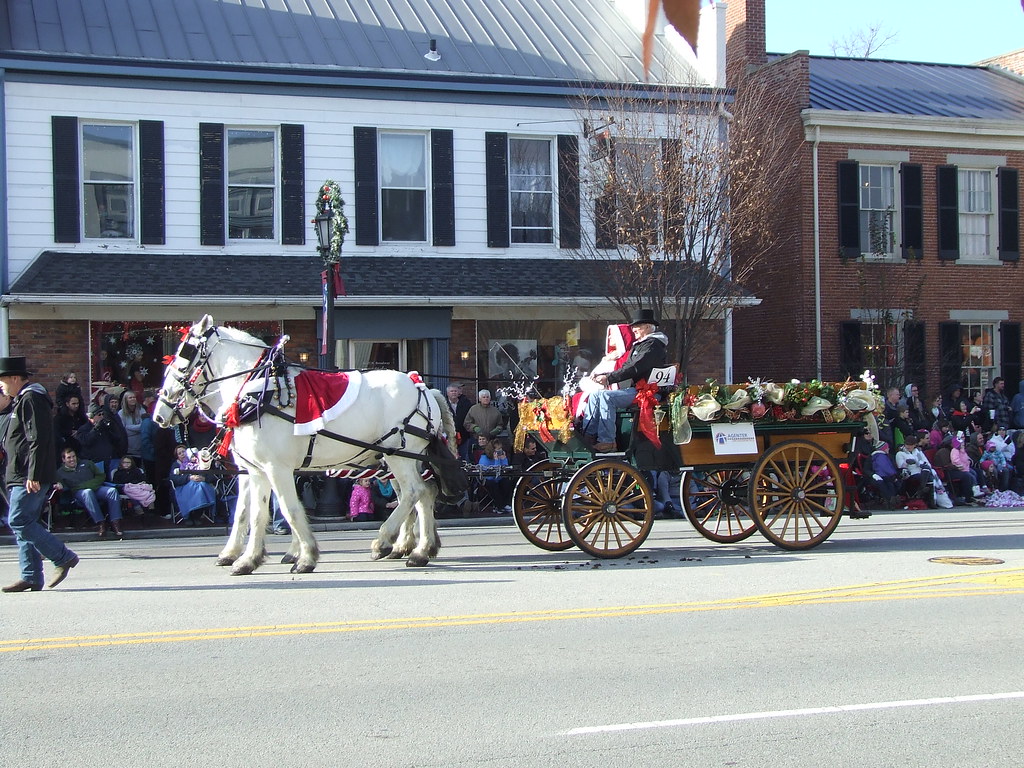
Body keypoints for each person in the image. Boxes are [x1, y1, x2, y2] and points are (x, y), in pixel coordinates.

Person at [0, 356, 79, 592]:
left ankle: (62, 556)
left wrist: (33, 474)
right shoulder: (20, 400)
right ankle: (31, 575)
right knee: (24, 523)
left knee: (19, 520)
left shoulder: (32, 397)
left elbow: (38, 438)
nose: (1, 387)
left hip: (29, 474)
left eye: (2, 381)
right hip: (19, 474)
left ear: (15, 378)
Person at [581, 309, 668, 453]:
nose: (633, 329)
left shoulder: (652, 345)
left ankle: (607, 441)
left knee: (606, 396)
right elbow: (627, 367)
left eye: (637, 326)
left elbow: (635, 368)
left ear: (647, 326)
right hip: (638, 390)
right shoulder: (641, 345)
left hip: (649, 392)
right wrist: (604, 375)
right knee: (596, 394)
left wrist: (608, 379)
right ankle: (588, 435)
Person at [56, 447, 124, 537]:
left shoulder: (87, 463)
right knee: (87, 492)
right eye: (69, 457)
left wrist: (88, 485)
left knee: (112, 491)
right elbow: (64, 487)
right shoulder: (60, 472)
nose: (72, 459)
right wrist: (59, 485)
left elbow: (101, 476)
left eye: (73, 456)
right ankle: (100, 523)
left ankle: (115, 523)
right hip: (79, 493)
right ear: (63, 459)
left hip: (96, 488)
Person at [169, 444, 217, 525]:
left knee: (201, 487)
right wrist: (189, 478)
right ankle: (189, 516)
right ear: (177, 456)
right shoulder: (176, 465)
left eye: (183, 452)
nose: (182, 454)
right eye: (179, 453)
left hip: (200, 484)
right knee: (195, 489)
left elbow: (212, 476)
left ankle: (197, 515)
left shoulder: (199, 462)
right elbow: (174, 479)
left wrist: (204, 478)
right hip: (183, 487)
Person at [477, 439, 513, 513]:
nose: (500, 451)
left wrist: (504, 459)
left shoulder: (500, 456)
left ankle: (505, 504)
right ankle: (499, 506)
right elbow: (490, 474)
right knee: (493, 485)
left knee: (507, 482)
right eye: (498, 449)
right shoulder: (484, 458)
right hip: (488, 479)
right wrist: (496, 460)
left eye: (500, 449)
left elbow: (505, 469)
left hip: (499, 478)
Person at [53, 393, 87, 459]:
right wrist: (69, 432)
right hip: (66, 448)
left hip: (80, 447)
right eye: (73, 404)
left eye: (77, 403)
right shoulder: (60, 417)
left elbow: (86, 426)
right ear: (67, 404)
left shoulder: (81, 415)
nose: (76, 406)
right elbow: (56, 432)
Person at [445, 383, 473, 461]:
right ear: (447, 393)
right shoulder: (443, 404)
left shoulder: (466, 403)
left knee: (464, 457)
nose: (453, 393)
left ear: (458, 393)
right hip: (448, 436)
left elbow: (470, 418)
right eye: (451, 391)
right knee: (450, 458)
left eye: (455, 391)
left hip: (464, 435)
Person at [868, 440, 899, 509]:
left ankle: (891, 500)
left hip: (884, 476)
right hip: (877, 476)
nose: (888, 449)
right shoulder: (877, 457)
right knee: (885, 484)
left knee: (890, 484)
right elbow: (886, 467)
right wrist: (873, 475)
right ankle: (891, 499)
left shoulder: (886, 456)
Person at [118, 390, 146, 462]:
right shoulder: (121, 413)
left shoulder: (141, 410)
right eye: (130, 398)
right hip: (128, 449)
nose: (133, 399)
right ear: (125, 400)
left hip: (140, 448)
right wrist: (137, 429)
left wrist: (128, 427)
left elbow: (144, 427)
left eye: (134, 397)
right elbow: (123, 431)